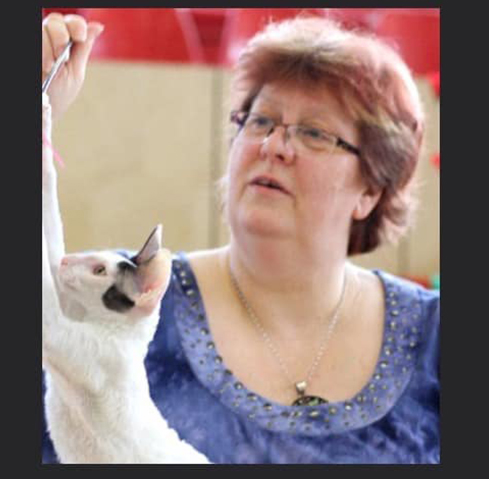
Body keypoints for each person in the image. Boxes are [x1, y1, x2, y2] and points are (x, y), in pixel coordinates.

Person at [41, 12, 440, 464]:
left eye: (314, 133)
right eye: (260, 121)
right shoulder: (117, 296)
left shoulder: (435, 337)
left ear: (370, 190)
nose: (273, 146)